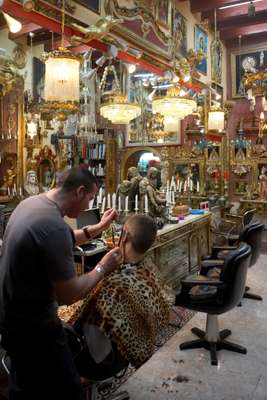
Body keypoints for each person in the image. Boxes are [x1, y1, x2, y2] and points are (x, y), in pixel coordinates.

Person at [0, 166, 122, 400]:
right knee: (68, 391)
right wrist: (103, 267)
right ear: (79, 191)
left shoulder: (32, 204)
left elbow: (60, 238)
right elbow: (70, 294)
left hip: (11, 319)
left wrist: (97, 229)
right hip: (34, 330)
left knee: (25, 387)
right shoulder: (51, 225)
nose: (89, 206)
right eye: (90, 198)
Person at [59, 214, 171, 370]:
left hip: (99, 360)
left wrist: (100, 269)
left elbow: (76, 312)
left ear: (124, 236)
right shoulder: (148, 270)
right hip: (123, 356)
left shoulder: (111, 287)